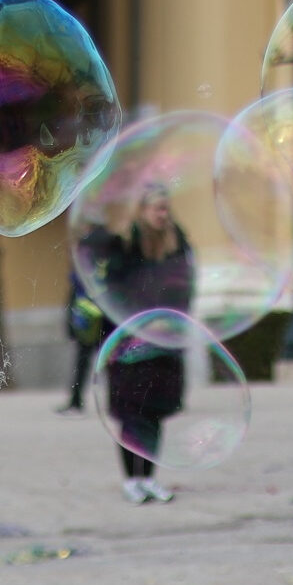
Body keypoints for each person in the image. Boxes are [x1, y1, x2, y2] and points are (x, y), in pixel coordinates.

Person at [98, 183, 194, 504]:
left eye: (166, 208)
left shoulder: (176, 243)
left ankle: (149, 478)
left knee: (153, 413)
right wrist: (138, 323)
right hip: (128, 344)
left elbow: (184, 289)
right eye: (157, 208)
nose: (163, 214)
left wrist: (172, 320)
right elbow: (113, 294)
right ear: (141, 210)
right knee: (130, 413)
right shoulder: (124, 246)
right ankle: (131, 480)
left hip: (162, 345)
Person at [56, 268, 109, 416]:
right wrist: (71, 324)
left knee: (110, 361)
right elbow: (73, 298)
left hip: (104, 322)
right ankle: (76, 400)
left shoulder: (99, 266)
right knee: (82, 362)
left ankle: (115, 402)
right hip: (86, 322)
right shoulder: (80, 271)